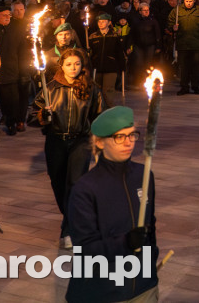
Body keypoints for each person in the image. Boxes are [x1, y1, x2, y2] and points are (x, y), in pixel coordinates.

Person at [66, 107, 158, 303]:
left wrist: (150, 258)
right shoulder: (86, 188)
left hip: (144, 288)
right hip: (103, 292)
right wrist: (125, 243)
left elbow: (151, 225)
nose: (128, 142)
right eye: (119, 137)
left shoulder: (144, 175)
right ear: (99, 142)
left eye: (132, 135)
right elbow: (85, 248)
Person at [28, 48, 107, 248]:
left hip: (80, 141)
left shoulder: (91, 88)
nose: (73, 68)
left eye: (77, 64)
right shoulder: (51, 88)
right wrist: (42, 117)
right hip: (55, 141)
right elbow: (30, 115)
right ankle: (73, 219)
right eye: (69, 64)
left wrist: (100, 140)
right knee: (58, 183)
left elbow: (100, 115)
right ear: (61, 66)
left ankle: (68, 231)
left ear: (83, 66)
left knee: (75, 185)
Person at [0, 2, 30, 136]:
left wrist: (23, 71)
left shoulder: (16, 31)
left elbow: (23, 52)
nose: (8, 17)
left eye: (9, 15)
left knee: (11, 101)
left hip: (11, 71)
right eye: (4, 15)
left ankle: (11, 123)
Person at [168, 0, 199, 96]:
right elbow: (170, 22)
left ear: (194, 0)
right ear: (183, 0)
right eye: (187, 1)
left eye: (190, 1)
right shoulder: (177, 11)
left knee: (196, 66)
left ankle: (195, 86)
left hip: (196, 43)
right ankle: (184, 86)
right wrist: (173, 27)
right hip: (182, 43)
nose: (188, 3)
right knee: (184, 67)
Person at [87, 13, 126, 107]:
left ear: (109, 23)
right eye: (99, 22)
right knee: (97, 88)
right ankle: (97, 108)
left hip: (110, 66)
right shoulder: (93, 36)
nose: (101, 24)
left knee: (108, 89)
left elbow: (119, 52)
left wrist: (122, 66)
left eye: (103, 22)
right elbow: (90, 52)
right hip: (97, 66)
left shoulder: (114, 36)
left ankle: (108, 107)